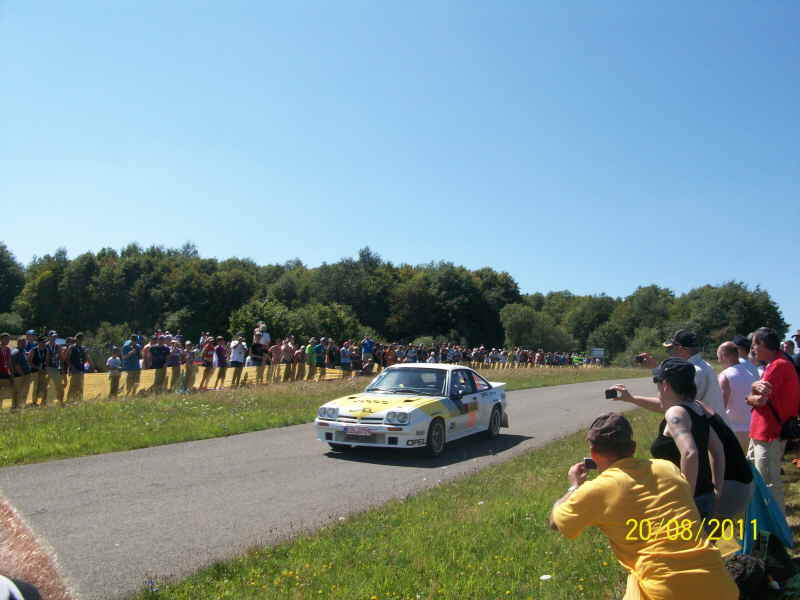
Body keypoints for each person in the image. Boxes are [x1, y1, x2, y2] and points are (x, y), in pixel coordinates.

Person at [549, 413, 737, 599]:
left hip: (666, 591)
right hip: (719, 585)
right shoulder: (667, 468)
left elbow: (556, 523)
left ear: (593, 454)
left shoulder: (597, 489)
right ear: (633, 447)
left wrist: (574, 486)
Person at [612, 358, 725, 520]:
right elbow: (718, 450)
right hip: (706, 497)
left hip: (682, 504)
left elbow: (689, 453)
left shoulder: (675, 415)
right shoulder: (697, 408)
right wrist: (717, 489)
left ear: (665, 385)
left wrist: (686, 499)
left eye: (657, 382)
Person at [746, 327, 800, 511]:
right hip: (763, 430)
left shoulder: (778, 365)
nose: (753, 349)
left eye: (754, 345)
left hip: (769, 432)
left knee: (767, 481)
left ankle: (776, 529)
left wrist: (748, 397)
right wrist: (754, 387)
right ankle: (762, 519)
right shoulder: (778, 362)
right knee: (758, 476)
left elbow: (760, 400)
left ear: (762, 345)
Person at [717, 341, 757, 451]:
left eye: (719, 357)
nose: (718, 361)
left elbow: (721, 405)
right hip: (751, 428)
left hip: (733, 429)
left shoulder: (725, 375)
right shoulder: (750, 374)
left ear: (725, 355)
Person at [65, 333, 92, 402]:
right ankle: (69, 400)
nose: (80, 341)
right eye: (78, 339)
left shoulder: (82, 348)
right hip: (74, 369)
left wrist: (91, 365)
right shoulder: (72, 347)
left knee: (80, 386)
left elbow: (86, 358)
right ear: (76, 339)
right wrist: (71, 367)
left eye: (81, 339)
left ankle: (79, 400)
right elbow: (66, 358)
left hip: (81, 369)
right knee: (73, 386)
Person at [44, 331, 65, 404]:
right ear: (49, 337)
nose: (54, 338)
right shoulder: (45, 346)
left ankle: (60, 401)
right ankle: (45, 402)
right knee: (46, 386)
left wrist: (62, 369)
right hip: (46, 369)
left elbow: (62, 358)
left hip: (55, 369)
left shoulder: (58, 346)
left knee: (58, 386)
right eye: (52, 336)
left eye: (55, 336)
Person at [28, 336, 49, 405]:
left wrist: (45, 368)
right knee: (36, 387)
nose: (44, 343)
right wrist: (37, 368)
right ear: (38, 342)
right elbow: (29, 362)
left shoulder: (46, 350)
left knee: (44, 386)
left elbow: (46, 361)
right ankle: (34, 402)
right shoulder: (34, 350)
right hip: (35, 371)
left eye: (44, 342)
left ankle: (44, 401)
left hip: (43, 371)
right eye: (42, 342)